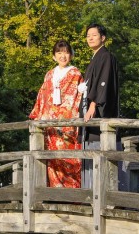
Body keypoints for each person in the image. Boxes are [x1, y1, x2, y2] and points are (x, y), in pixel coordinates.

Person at [28, 40, 84, 188]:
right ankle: (55, 193)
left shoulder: (75, 73)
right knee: (51, 159)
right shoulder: (49, 74)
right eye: (59, 53)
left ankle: (73, 194)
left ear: (71, 55)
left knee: (68, 158)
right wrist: (39, 115)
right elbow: (42, 95)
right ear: (54, 56)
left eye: (66, 52)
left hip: (66, 123)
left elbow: (75, 97)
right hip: (49, 125)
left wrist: (65, 116)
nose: (63, 56)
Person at [79, 23, 119, 189]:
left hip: (99, 110)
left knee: (98, 149)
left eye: (94, 35)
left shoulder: (105, 57)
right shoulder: (95, 58)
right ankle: (91, 191)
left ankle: (99, 192)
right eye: (88, 35)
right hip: (89, 108)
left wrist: (93, 105)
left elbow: (103, 83)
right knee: (89, 151)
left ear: (103, 38)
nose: (90, 38)